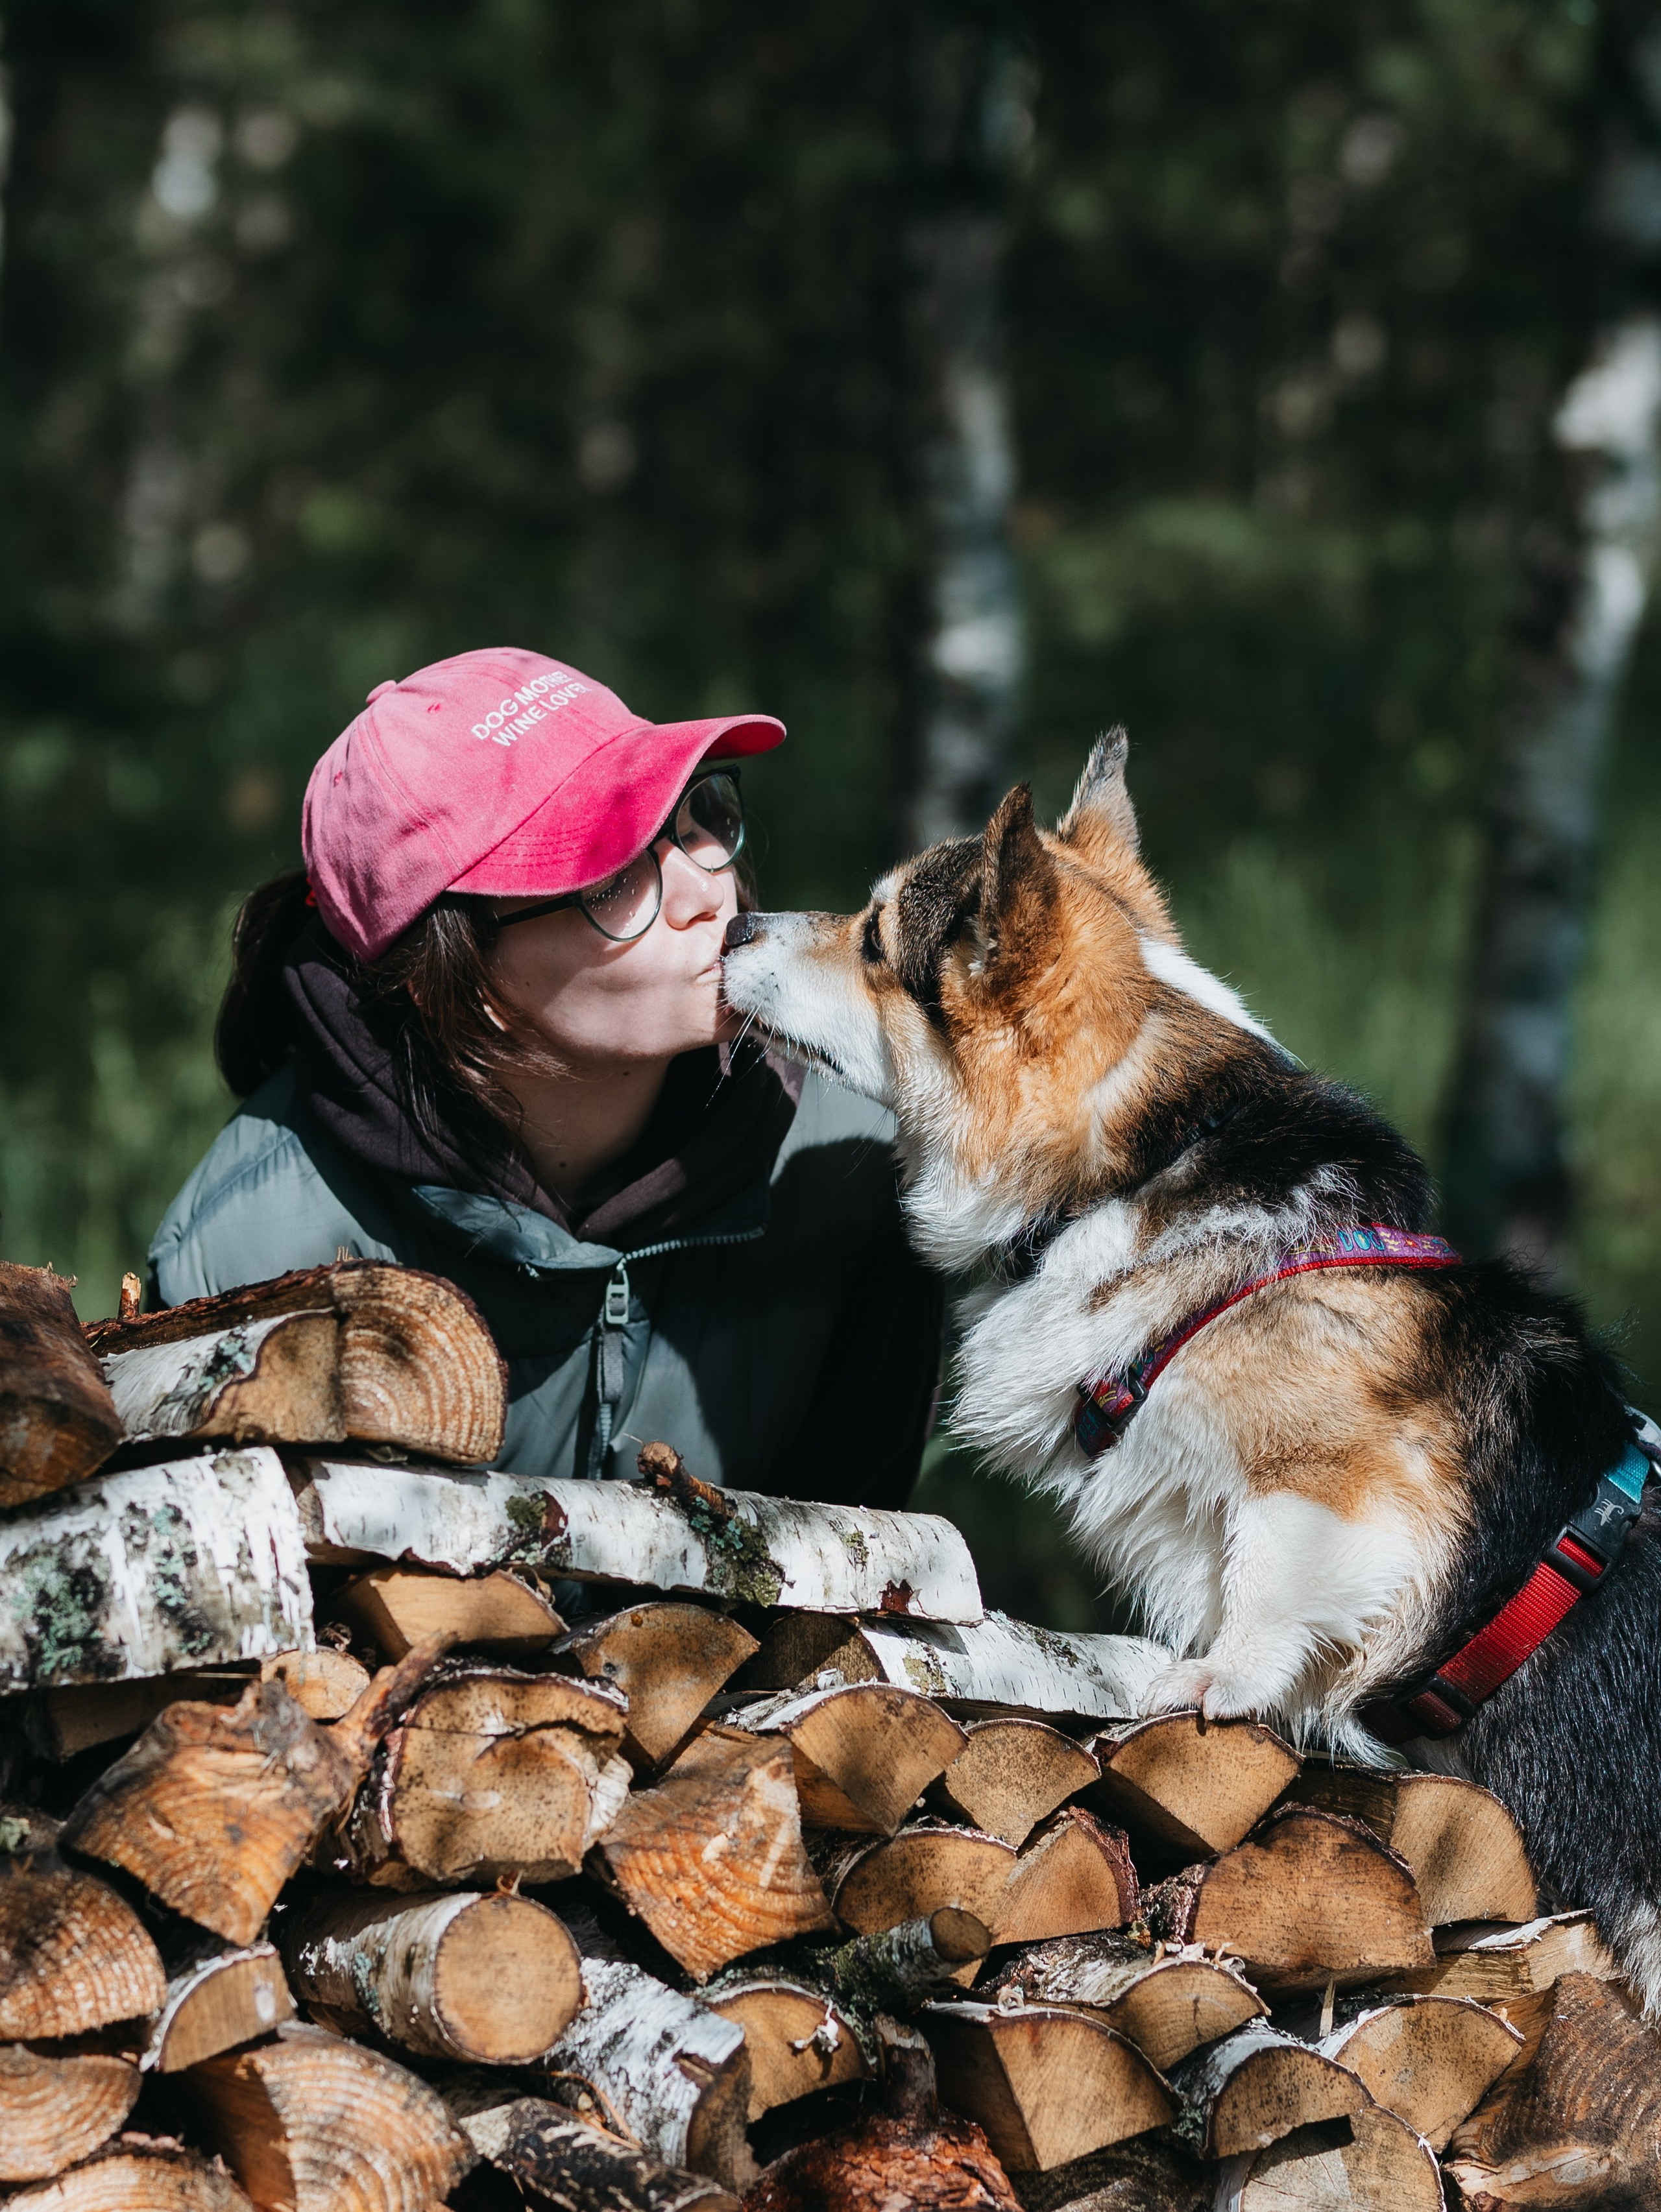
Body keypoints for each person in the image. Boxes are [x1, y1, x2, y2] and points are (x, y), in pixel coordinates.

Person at [149, 647, 943, 1506]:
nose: (706, 889)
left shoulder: (863, 1159)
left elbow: (855, 1552)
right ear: (454, 982)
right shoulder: (244, 1254)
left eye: (694, 815)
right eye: (614, 875)